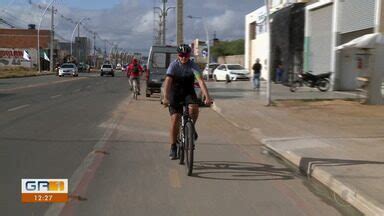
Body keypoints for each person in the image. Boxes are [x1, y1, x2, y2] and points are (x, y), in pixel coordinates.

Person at [162, 44, 212, 160]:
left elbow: (200, 81)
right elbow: (168, 81)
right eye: (181, 55)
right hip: (175, 93)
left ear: (189, 56)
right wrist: (165, 97)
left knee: (194, 108)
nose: (184, 57)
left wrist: (207, 97)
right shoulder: (173, 65)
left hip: (188, 92)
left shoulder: (193, 66)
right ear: (178, 55)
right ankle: (173, 146)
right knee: (175, 119)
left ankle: (191, 128)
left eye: (186, 55)